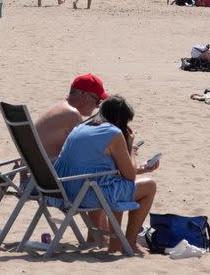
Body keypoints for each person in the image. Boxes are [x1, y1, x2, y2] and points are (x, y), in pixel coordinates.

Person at [52, 95, 158, 255]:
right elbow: (129, 175)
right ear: (119, 119)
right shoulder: (113, 132)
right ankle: (129, 242)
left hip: (65, 190)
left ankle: (112, 243)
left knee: (113, 183)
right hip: (87, 194)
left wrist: (142, 169)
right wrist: (131, 148)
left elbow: (103, 167)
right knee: (149, 186)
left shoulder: (81, 127)